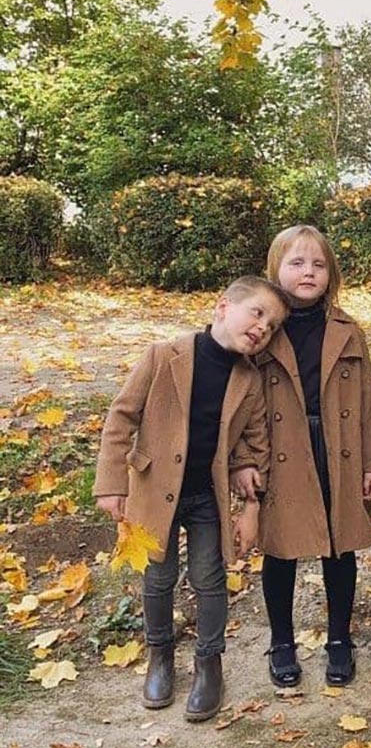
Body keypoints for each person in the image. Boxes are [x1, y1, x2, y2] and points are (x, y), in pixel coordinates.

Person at [94, 275, 290, 721]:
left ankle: (209, 664)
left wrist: (247, 481)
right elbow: (122, 416)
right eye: (257, 313)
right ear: (223, 307)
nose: (263, 328)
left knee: (209, 578)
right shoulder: (165, 356)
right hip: (152, 493)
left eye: (273, 326)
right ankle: (160, 657)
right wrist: (111, 483)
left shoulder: (249, 379)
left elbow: (254, 439)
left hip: (207, 496)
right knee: (158, 579)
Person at [232, 225, 371, 688]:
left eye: (318, 264)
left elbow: (368, 399)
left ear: (331, 273)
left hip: (337, 448)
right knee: (280, 550)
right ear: (275, 270)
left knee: (340, 549)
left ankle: (339, 639)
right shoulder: (261, 332)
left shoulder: (347, 330)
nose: (308, 272)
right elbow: (238, 401)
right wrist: (243, 460)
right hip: (280, 452)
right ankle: (282, 641)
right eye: (297, 263)